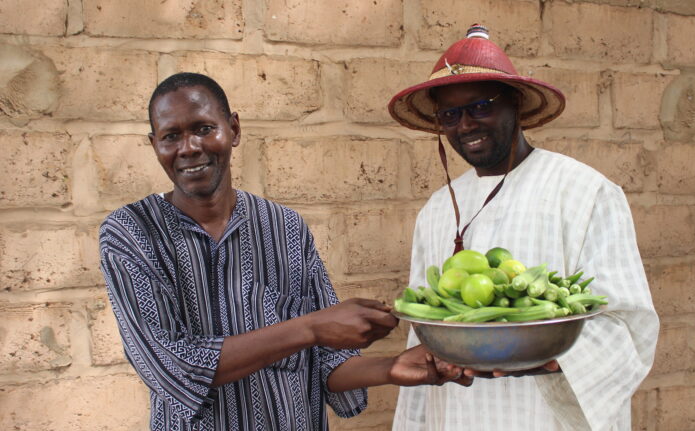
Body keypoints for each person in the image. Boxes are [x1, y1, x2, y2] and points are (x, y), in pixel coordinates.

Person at [99, 72, 471, 431]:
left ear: (234, 130)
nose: (189, 147)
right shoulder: (130, 234)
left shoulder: (285, 227)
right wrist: (310, 328)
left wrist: (392, 368)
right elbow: (173, 366)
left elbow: (329, 361)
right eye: (170, 136)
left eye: (203, 128)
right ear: (154, 145)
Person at [388, 25, 659, 430]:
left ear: (515, 105)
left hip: (543, 418)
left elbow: (627, 321)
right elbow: (424, 331)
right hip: (458, 413)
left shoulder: (584, 191)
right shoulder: (437, 209)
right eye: (450, 114)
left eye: (480, 106)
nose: (465, 125)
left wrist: (550, 357)